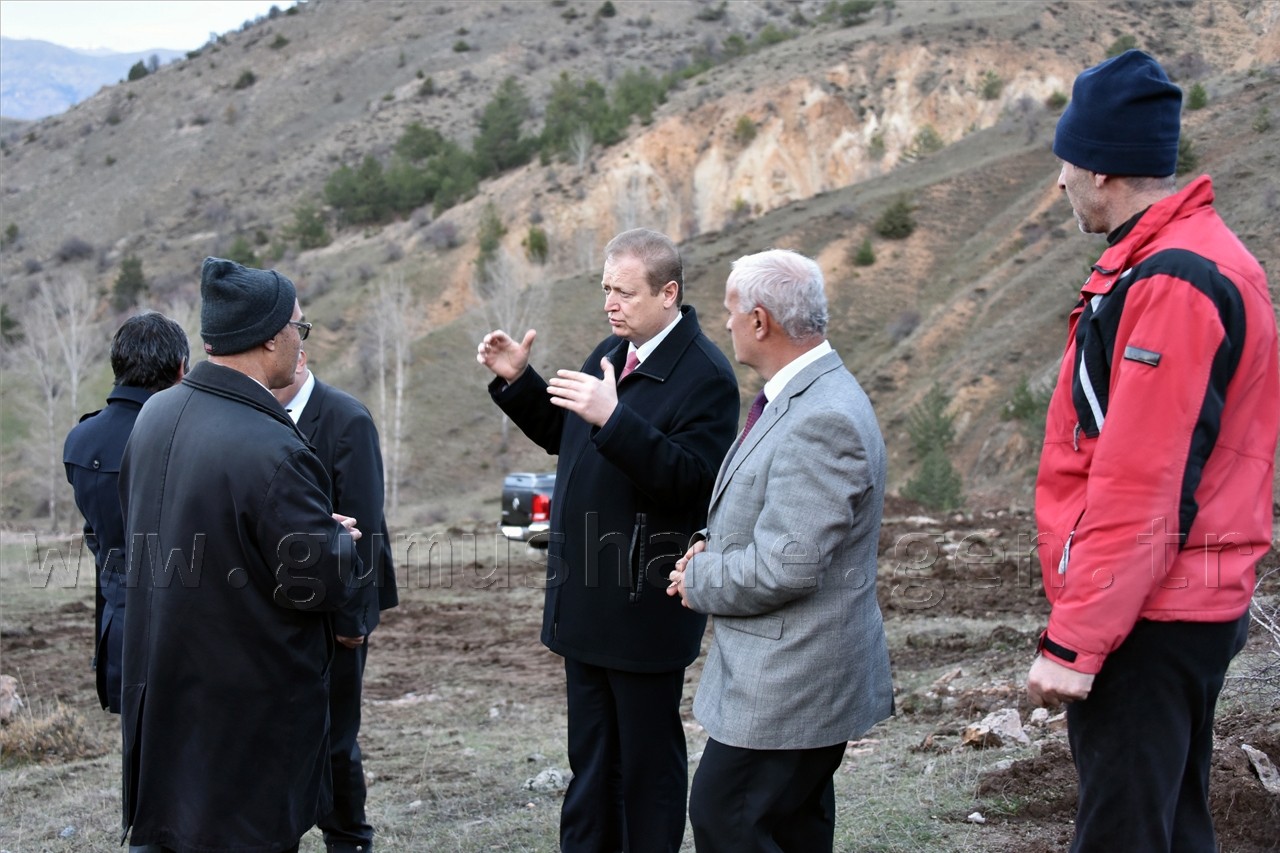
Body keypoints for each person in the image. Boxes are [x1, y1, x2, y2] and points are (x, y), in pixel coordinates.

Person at [1026, 50, 1279, 852]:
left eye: (1067, 160)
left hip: (1152, 613)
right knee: (1170, 825)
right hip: (1179, 600)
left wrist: (1076, 639)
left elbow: (1143, 483)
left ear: (1100, 166)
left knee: (1125, 831)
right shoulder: (1188, 259)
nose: (1060, 180)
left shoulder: (1173, 281)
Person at [476, 228, 739, 852]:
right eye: (604, 290)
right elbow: (571, 437)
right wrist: (519, 380)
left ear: (668, 293)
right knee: (590, 765)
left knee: (646, 769)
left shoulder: (706, 377)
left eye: (623, 292)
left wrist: (613, 418)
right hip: (587, 602)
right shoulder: (612, 351)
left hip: (642, 610)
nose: (609, 304)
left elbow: (694, 484)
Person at [119, 257, 362, 853]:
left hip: (165, 691)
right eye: (299, 330)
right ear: (273, 338)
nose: (299, 342)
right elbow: (320, 582)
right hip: (246, 712)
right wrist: (340, 542)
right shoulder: (272, 443)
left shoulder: (156, 413)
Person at [666, 249, 894, 853]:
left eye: (731, 312)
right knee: (793, 829)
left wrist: (699, 578)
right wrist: (710, 547)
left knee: (727, 817)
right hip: (792, 676)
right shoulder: (803, 395)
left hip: (793, 679)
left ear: (760, 320)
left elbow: (785, 565)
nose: (727, 323)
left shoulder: (824, 417)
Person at [274, 349, 399, 853]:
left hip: (337, 614)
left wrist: (352, 619)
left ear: (299, 358)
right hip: (282, 608)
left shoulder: (346, 418)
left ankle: (348, 839)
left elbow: (364, 524)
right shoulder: (259, 414)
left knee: (335, 740)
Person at [64, 311, 189, 714]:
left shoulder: (81, 439)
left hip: (118, 620)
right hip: (184, 624)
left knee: (136, 760)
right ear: (180, 369)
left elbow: (97, 531)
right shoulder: (180, 436)